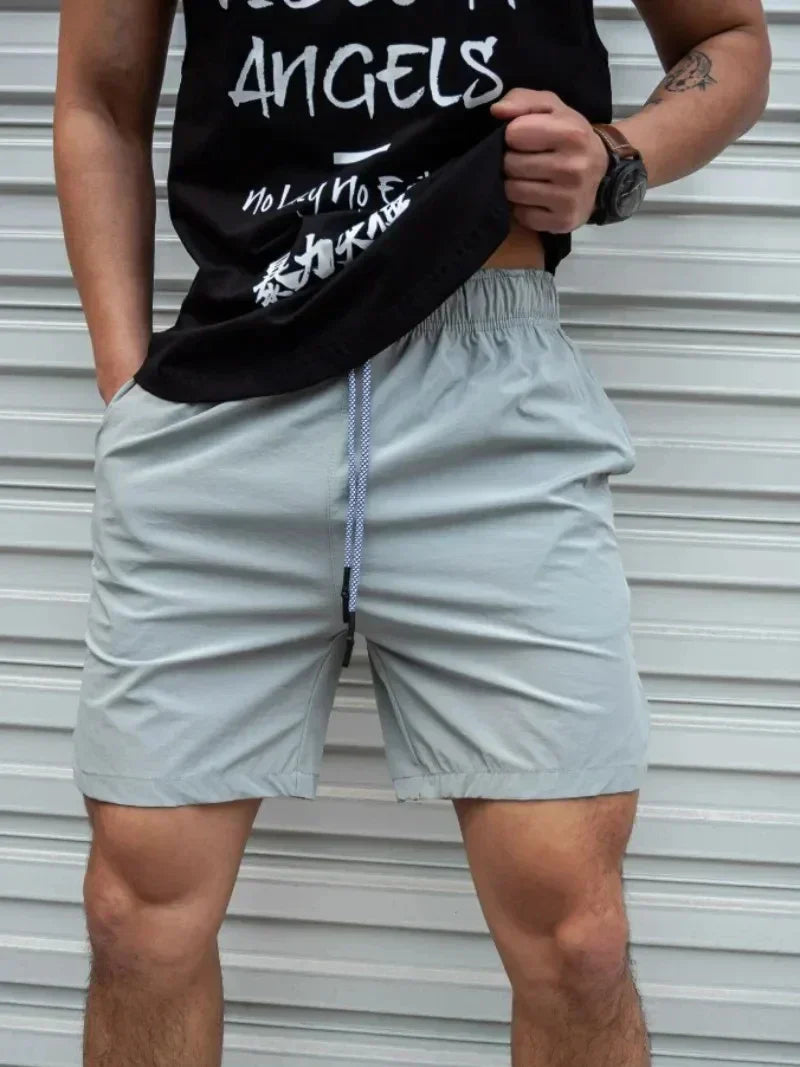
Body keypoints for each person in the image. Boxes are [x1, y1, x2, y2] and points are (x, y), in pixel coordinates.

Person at [54, 1, 770, 1064]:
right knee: (135, 922)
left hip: (491, 405)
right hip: (225, 399)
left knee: (576, 938)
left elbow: (728, 39)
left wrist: (620, 158)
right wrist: (125, 384)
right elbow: (101, 99)